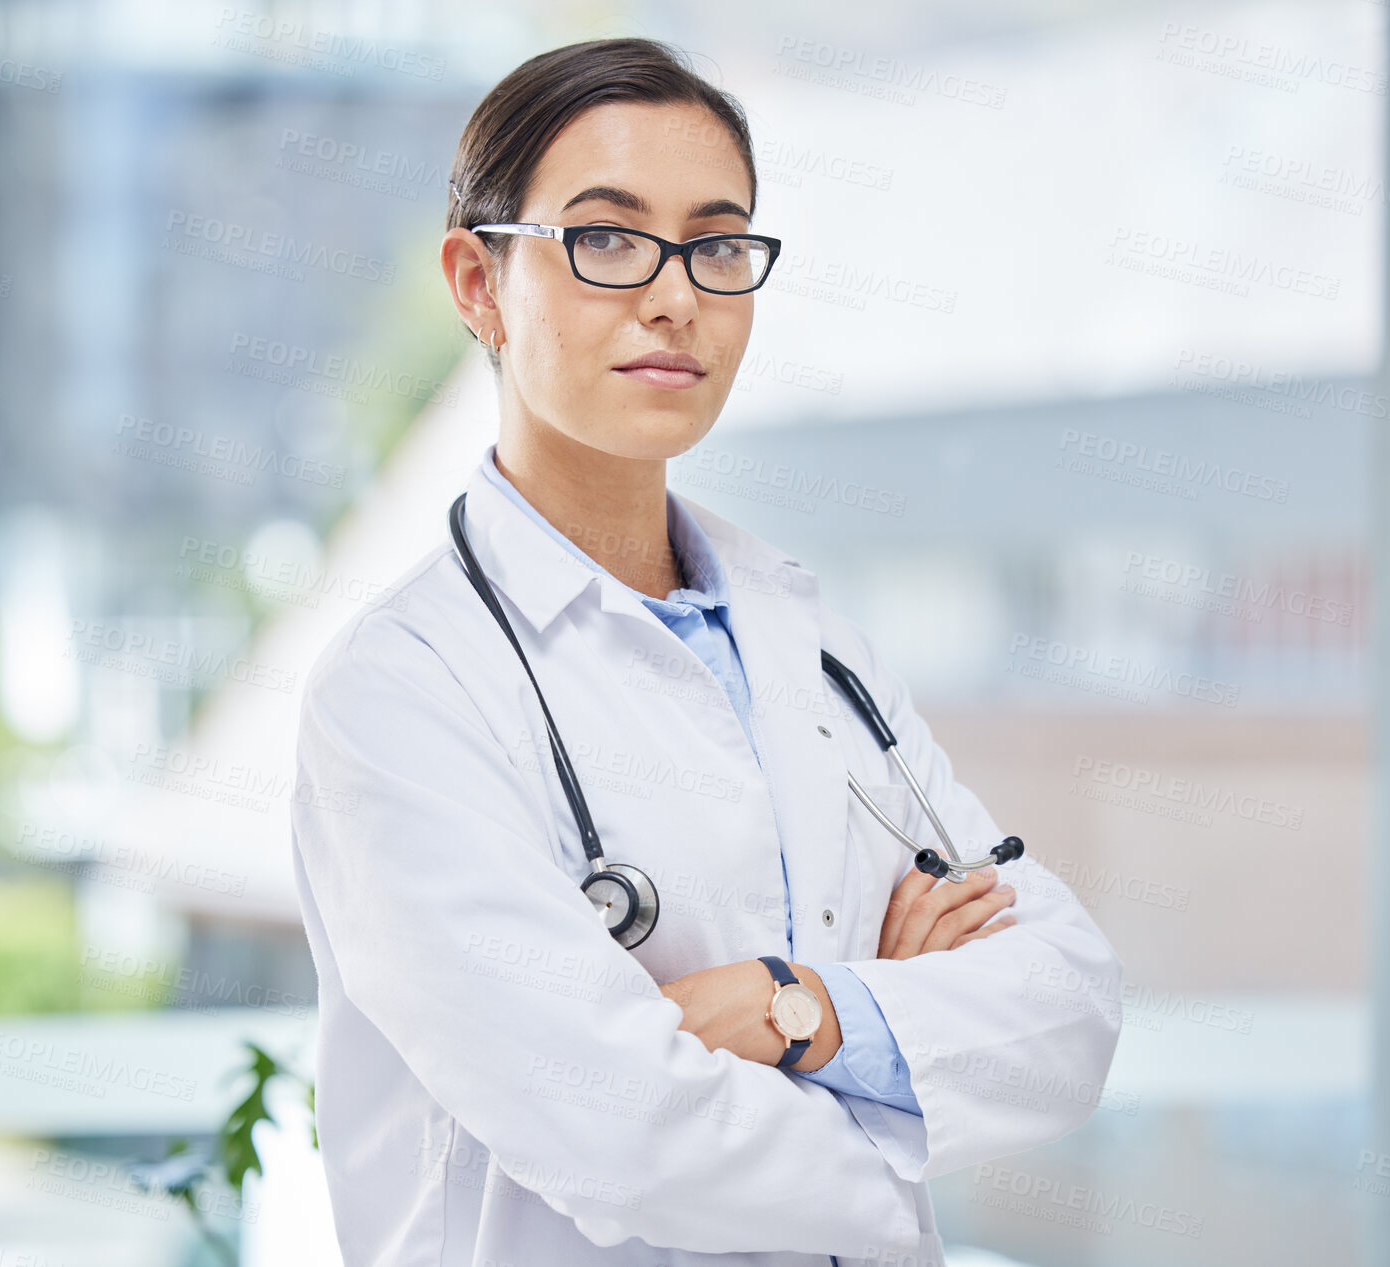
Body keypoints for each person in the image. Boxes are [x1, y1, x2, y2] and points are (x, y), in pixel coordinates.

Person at [288, 36, 1122, 1267]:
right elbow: (633, 1138)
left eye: (719, 244)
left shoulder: (808, 638)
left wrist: (799, 1008)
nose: (676, 294)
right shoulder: (402, 694)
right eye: (608, 238)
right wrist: (903, 1070)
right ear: (477, 283)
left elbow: (1068, 1008)